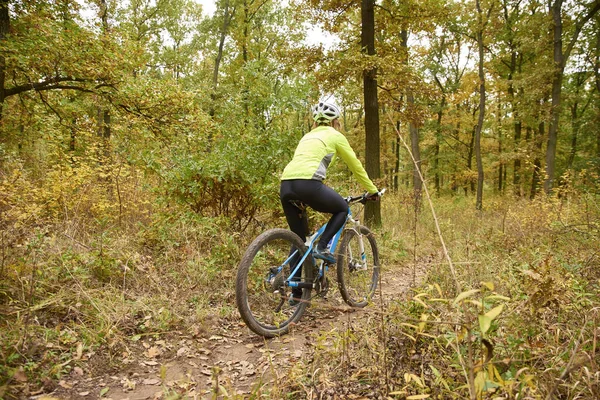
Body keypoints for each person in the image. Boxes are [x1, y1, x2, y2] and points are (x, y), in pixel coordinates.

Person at [280, 101, 380, 303]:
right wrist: (372, 190)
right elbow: (356, 166)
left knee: (300, 239)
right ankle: (323, 246)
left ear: (316, 121)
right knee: (342, 208)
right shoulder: (335, 136)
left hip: (286, 185)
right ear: (336, 121)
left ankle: (296, 295)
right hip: (308, 184)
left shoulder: (307, 136)